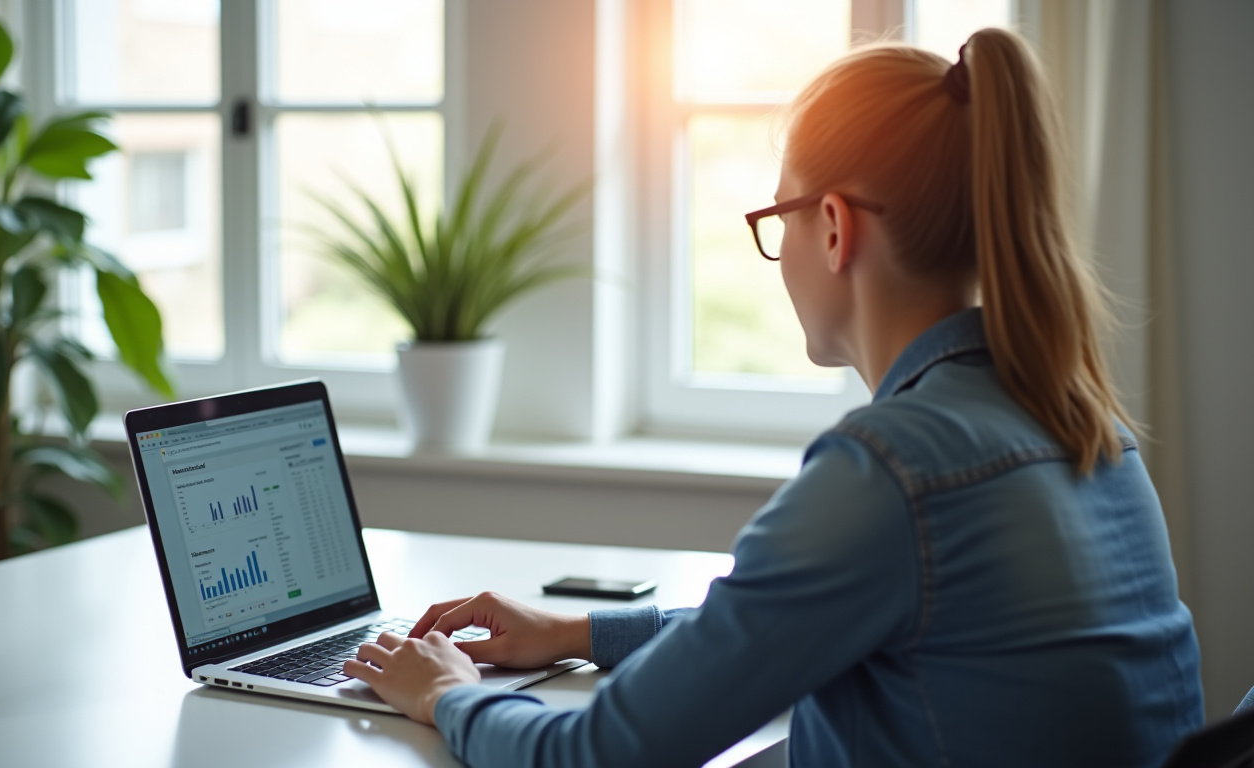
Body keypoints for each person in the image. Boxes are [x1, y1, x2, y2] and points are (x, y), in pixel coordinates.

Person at [340, 28, 1205, 767]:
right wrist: (576, 634)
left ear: (832, 227)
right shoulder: (1089, 432)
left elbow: (597, 755)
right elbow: (770, 624)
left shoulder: (890, 471)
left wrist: (447, 694)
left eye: (776, 219)